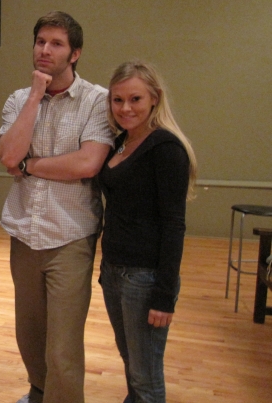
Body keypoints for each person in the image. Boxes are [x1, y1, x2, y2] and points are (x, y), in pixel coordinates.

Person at [0, 11, 114, 403]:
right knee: (29, 334)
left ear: (74, 53)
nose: (45, 50)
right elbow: (8, 156)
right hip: (24, 234)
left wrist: (29, 165)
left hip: (70, 237)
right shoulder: (19, 99)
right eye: (40, 41)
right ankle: (39, 392)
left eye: (56, 44)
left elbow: (87, 164)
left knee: (62, 348)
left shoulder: (96, 101)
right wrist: (35, 96)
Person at [97, 60, 197, 403]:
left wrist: (164, 296)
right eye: (118, 100)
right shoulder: (120, 143)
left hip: (145, 278)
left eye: (135, 99)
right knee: (132, 366)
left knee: (146, 378)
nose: (125, 108)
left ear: (155, 98)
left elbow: (174, 225)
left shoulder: (166, 148)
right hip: (114, 271)